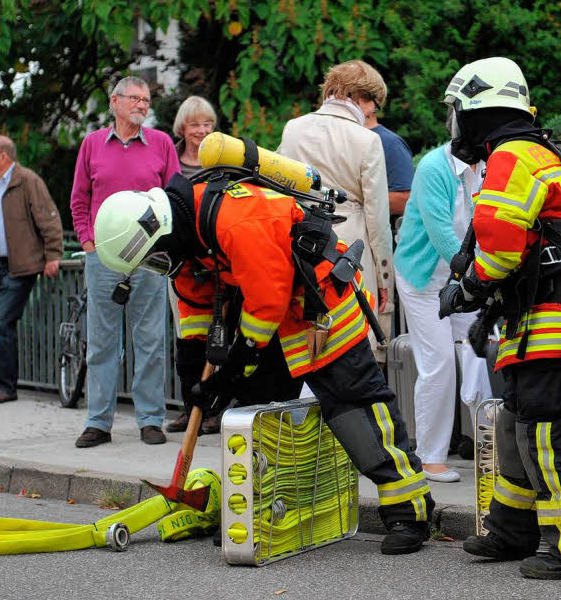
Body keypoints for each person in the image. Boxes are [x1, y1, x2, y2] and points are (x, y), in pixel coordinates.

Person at [91, 169, 436, 555]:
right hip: (270, 323)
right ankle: (260, 515)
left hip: (320, 314)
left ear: (160, 228)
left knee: (357, 412)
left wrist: (233, 370)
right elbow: (195, 296)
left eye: (156, 259)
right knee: (257, 419)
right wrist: (192, 361)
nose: (160, 266)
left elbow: (267, 297)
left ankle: (410, 511)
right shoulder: (185, 235)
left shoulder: (238, 219)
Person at [442, 58, 561, 580]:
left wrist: (469, 288)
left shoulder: (514, 155)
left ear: (478, 111)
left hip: (555, 319)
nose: (453, 123)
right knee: (517, 423)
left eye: (457, 111)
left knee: (547, 434)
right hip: (541, 315)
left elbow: (498, 245)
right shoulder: (528, 151)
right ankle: (513, 530)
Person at [70, 76, 180, 448]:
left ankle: (150, 420)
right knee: (102, 341)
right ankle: (98, 422)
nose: (142, 105)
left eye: (146, 100)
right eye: (134, 98)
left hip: (149, 257)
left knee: (149, 339)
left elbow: (174, 199)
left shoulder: (162, 144)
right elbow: (79, 199)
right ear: (114, 101)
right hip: (103, 258)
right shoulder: (92, 145)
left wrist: (166, 246)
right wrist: (87, 243)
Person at [278, 60, 393, 357]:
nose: (373, 113)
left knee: (307, 341)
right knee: (353, 343)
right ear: (359, 97)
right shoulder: (368, 141)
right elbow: (377, 218)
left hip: (301, 245)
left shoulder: (293, 129)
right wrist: (384, 281)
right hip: (349, 248)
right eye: (374, 104)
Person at [394, 140, 489, 482]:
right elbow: (441, 234)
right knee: (439, 364)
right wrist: (480, 276)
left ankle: (491, 445)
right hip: (424, 279)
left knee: (484, 351)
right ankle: (429, 456)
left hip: (464, 277)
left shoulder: (489, 161)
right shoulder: (435, 167)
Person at [0, 135, 63, 404]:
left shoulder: (27, 181)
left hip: (21, 266)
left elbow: (48, 218)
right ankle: (4, 383)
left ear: (3, 157)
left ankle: (4, 386)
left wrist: (53, 255)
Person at [167, 96, 218, 434]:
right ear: (182, 128)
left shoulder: (223, 158)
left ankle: (213, 411)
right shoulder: (169, 159)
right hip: (180, 263)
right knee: (186, 340)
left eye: (208, 124)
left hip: (216, 260)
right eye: (195, 124)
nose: (201, 131)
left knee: (219, 339)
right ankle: (190, 408)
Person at [363, 101, 414, 220]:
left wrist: (353, 201)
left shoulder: (391, 144)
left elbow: (404, 200)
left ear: (370, 105)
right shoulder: (340, 139)